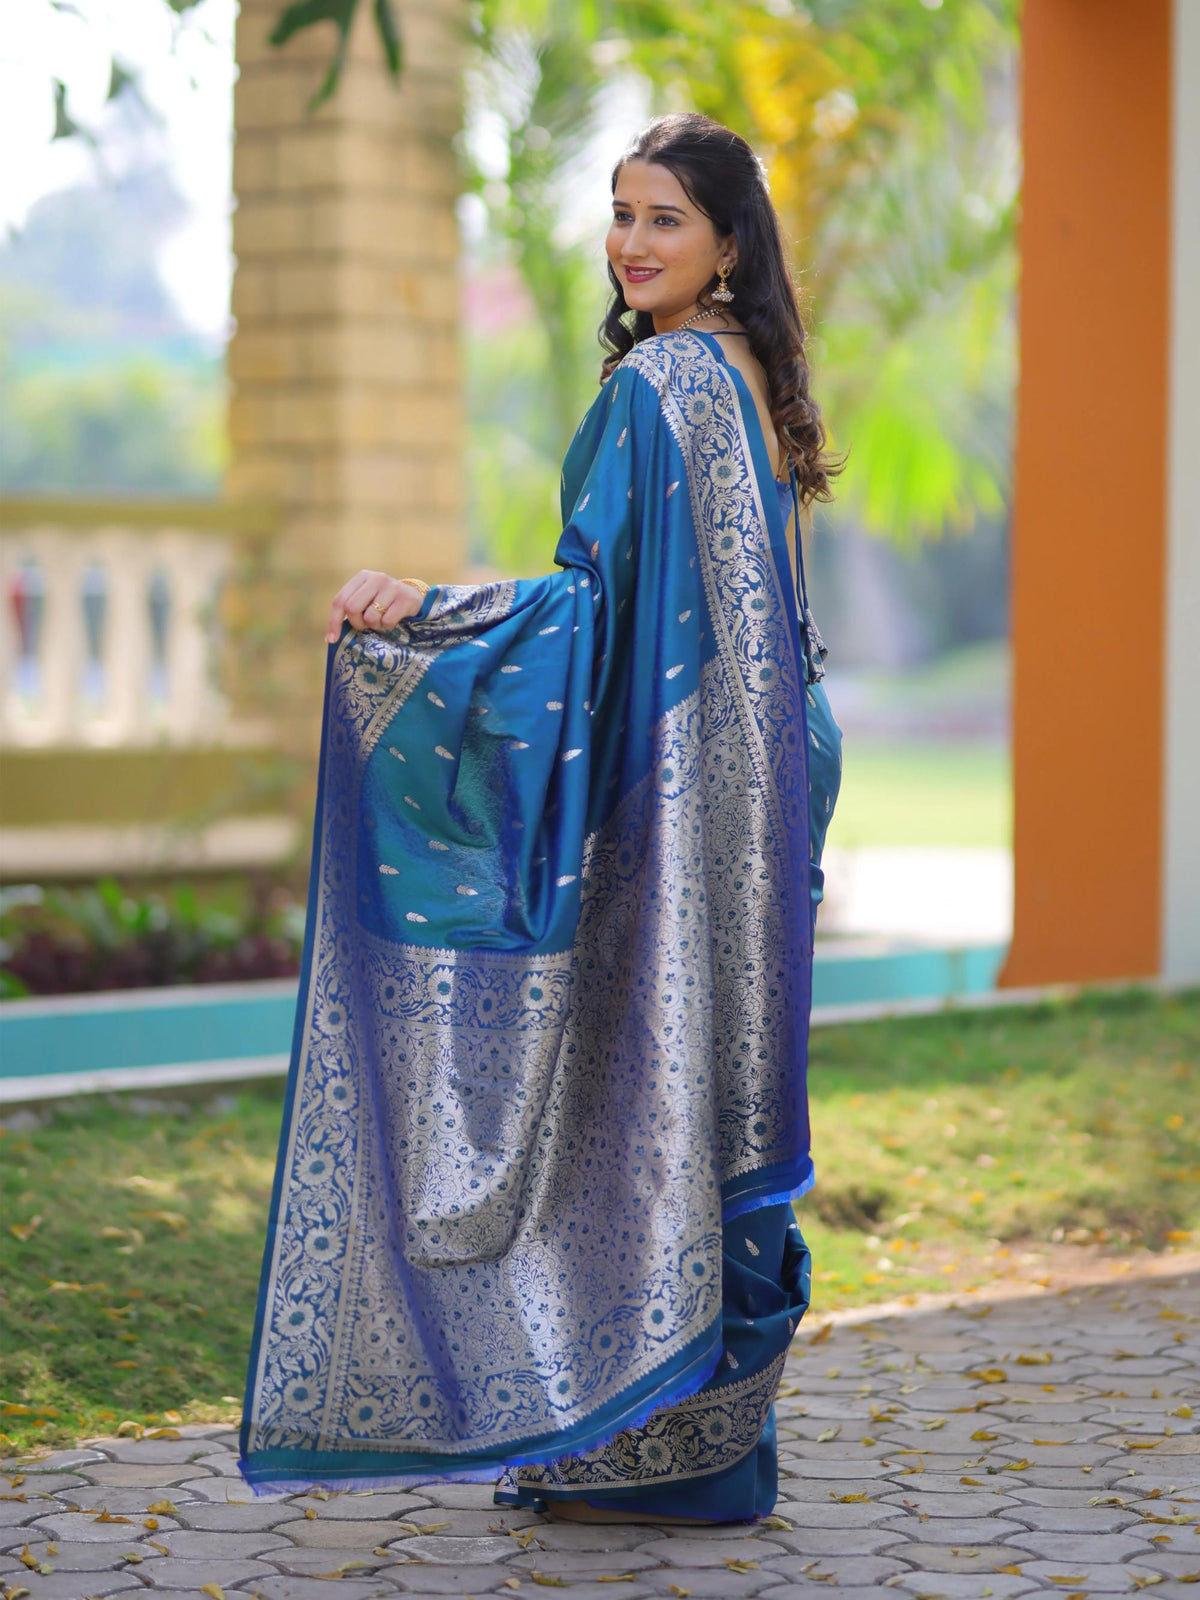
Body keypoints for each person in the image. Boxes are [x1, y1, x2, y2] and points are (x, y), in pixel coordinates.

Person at [239, 111, 843, 1524]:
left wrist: (425, 614)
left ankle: (637, 1444)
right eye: (621, 216)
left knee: (643, 1068)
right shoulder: (754, 376)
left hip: (694, 771)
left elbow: (593, 617)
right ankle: (703, 1448)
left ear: (728, 244)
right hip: (778, 757)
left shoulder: (665, 384)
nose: (633, 245)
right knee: (717, 1066)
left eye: (665, 220)